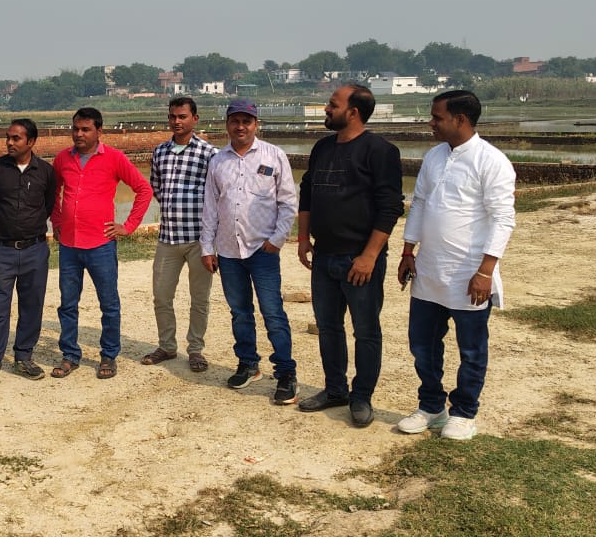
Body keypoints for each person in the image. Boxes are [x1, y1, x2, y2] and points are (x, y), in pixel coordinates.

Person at [396, 90, 515, 440]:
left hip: (468, 274)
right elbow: (419, 204)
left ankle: (464, 412)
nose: (431, 123)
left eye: (437, 117)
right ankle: (432, 406)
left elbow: (503, 219)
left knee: (471, 349)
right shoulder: (434, 156)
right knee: (423, 345)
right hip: (429, 270)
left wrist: (485, 272)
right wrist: (407, 251)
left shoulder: (491, 161)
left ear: (460, 119)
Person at [297, 84, 404, 427]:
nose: (327, 109)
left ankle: (361, 396)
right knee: (329, 328)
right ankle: (335, 389)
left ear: (353, 112)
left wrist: (369, 256)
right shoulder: (323, 147)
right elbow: (307, 193)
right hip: (325, 257)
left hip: (359, 260)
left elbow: (390, 208)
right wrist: (303, 237)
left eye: (333, 104)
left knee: (366, 330)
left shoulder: (380, 151)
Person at [200, 100, 299, 404]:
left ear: (256, 124)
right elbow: (211, 207)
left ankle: (285, 373)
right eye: (235, 121)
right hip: (229, 251)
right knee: (240, 312)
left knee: (272, 312)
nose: (240, 127)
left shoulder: (273, 155)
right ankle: (248, 363)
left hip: (263, 250)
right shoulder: (218, 161)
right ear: (227, 124)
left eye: (247, 121)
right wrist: (207, 247)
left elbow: (288, 202)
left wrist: (277, 239)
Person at [50, 107, 153, 380]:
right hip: (69, 246)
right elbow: (53, 192)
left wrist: (128, 225)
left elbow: (144, 189)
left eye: (85, 129)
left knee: (108, 304)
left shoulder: (114, 158)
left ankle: (108, 355)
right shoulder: (62, 158)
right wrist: (56, 221)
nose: (79, 134)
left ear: (99, 131)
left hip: (101, 245)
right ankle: (70, 355)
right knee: (67, 304)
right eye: (75, 129)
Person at [0, 118, 57, 394]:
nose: (9, 143)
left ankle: (24, 357)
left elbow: (47, 205)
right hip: (2, 251)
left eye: (16, 138)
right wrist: (3, 231)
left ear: (31, 141)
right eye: (8, 138)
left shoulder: (45, 172)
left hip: (35, 250)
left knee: (32, 305)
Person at [142, 97, 218, 373]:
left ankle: (195, 349)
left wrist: (212, 242)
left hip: (199, 240)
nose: (177, 121)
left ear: (194, 119)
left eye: (182, 116)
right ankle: (167, 346)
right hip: (168, 238)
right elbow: (156, 187)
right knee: (161, 296)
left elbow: (217, 194)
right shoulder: (160, 152)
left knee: (199, 298)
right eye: (173, 116)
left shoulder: (209, 153)